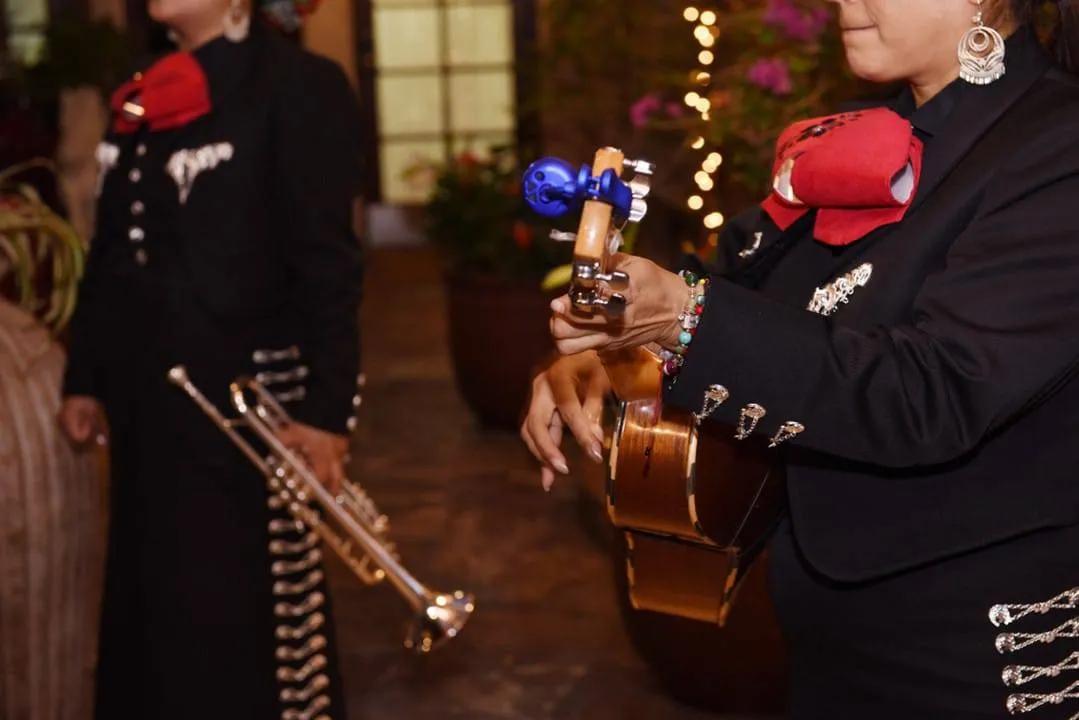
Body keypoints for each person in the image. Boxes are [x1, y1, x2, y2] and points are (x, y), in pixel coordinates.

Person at [521, 1, 1079, 717]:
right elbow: (737, 289)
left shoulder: (1055, 150)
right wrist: (617, 351)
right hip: (824, 638)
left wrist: (682, 318)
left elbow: (930, 392)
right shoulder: (857, 136)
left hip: (977, 651)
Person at [58, 0, 364, 717]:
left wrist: (326, 412)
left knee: (239, 624)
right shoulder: (142, 91)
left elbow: (330, 264)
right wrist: (85, 378)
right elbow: (113, 253)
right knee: (152, 612)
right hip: (146, 408)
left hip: (245, 413)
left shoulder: (298, 84)